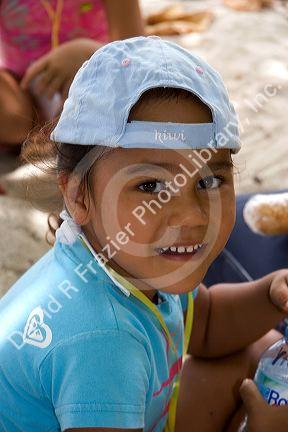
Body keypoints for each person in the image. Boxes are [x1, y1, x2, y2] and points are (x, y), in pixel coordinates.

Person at [0, 36, 288, 432]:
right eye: (150, 186)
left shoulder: (138, 261)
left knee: (263, 348)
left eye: (208, 180)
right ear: (77, 195)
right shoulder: (102, 342)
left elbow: (203, 324)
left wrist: (271, 294)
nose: (190, 215)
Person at [0, 0, 144, 147]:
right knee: (10, 118)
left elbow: (137, 55)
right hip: (23, 92)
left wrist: (91, 54)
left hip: (94, 82)